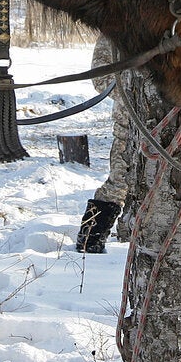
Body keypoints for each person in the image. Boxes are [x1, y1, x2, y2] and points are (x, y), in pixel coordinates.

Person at [76, 35, 133, 253]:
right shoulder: (114, 30)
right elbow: (100, 78)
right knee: (119, 185)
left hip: (173, 129)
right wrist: (136, 93)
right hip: (129, 130)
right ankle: (88, 243)